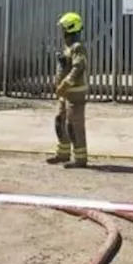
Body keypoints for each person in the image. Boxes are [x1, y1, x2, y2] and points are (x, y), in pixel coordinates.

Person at [47, 11, 89, 168]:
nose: (62, 32)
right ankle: (63, 153)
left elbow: (79, 67)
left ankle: (80, 159)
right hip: (65, 93)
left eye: (64, 28)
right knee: (60, 121)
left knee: (74, 125)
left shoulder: (78, 47)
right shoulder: (67, 47)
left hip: (75, 92)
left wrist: (66, 83)